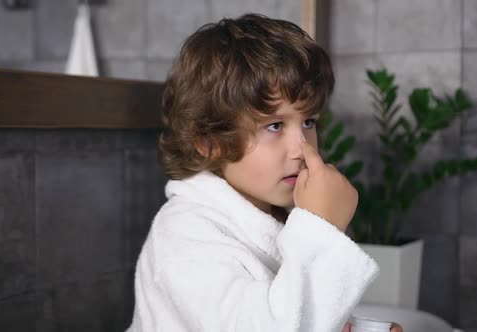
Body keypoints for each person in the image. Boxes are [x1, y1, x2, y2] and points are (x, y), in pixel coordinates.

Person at [126, 13, 401, 332]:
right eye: (274, 125)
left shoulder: (284, 217)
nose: (302, 147)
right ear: (209, 142)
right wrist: (322, 227)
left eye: (309, 122)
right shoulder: (182, 234)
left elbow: (298, 312)